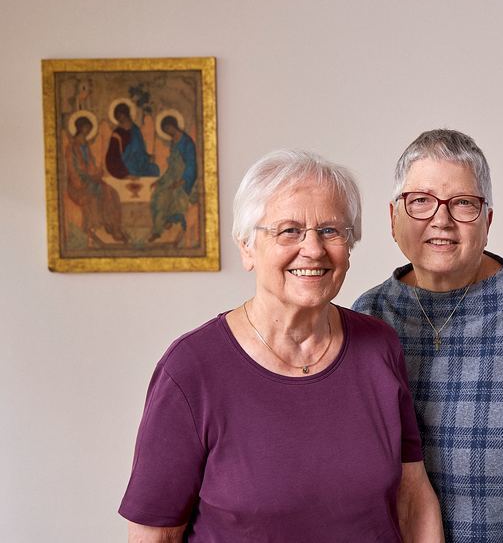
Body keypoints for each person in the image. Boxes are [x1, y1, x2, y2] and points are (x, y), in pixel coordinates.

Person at [120, 149, 444, 542]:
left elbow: (412, 498)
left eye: (330, 230)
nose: (313, 249)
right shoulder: (190, 369)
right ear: (247, 247)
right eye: (289, 230)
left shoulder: (379, 346)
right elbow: (156, 535)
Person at [353, 129, 503, 542]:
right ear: (393, 219)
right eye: (420, 201)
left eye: (463, 204)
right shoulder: (368, 318)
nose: (441, 220)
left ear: (487, 221)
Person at [64, 115, 128, 244]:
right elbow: (72, 171)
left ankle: (113, 227)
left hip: (91, 180)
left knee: (112, 193)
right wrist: (84, 182)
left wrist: (97, 173)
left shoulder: (85, 146)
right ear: (80, 128)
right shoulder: (71, 147)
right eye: (86, 128)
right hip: (78, 185)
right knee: (94, 196)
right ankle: (91, 229)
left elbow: (90, 166)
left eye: (89, 128)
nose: (87, 132)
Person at [148, 116, 198, 243]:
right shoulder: (173, 143)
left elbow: (191, 165)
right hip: (171, 179)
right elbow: (171, 168)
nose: (168, 132)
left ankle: (169, 223)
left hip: (184, 180)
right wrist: (159, 181)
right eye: (165, 130)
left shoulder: (186, 142)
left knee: (171, 197)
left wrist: (182, 181)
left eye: (168, 128)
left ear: (173, 125)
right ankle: (157, 230)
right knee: (157, 196)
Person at [105, 102, 160, 178]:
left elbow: (141, 150)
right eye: (118, 116)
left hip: (140, 164)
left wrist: (148, 157)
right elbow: (112, 158)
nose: (120, 118)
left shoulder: (136, 130)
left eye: (121, 114)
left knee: (155, 169)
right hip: (126, 166)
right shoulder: (117, 133)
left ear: (126, 114)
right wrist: (124, 174)